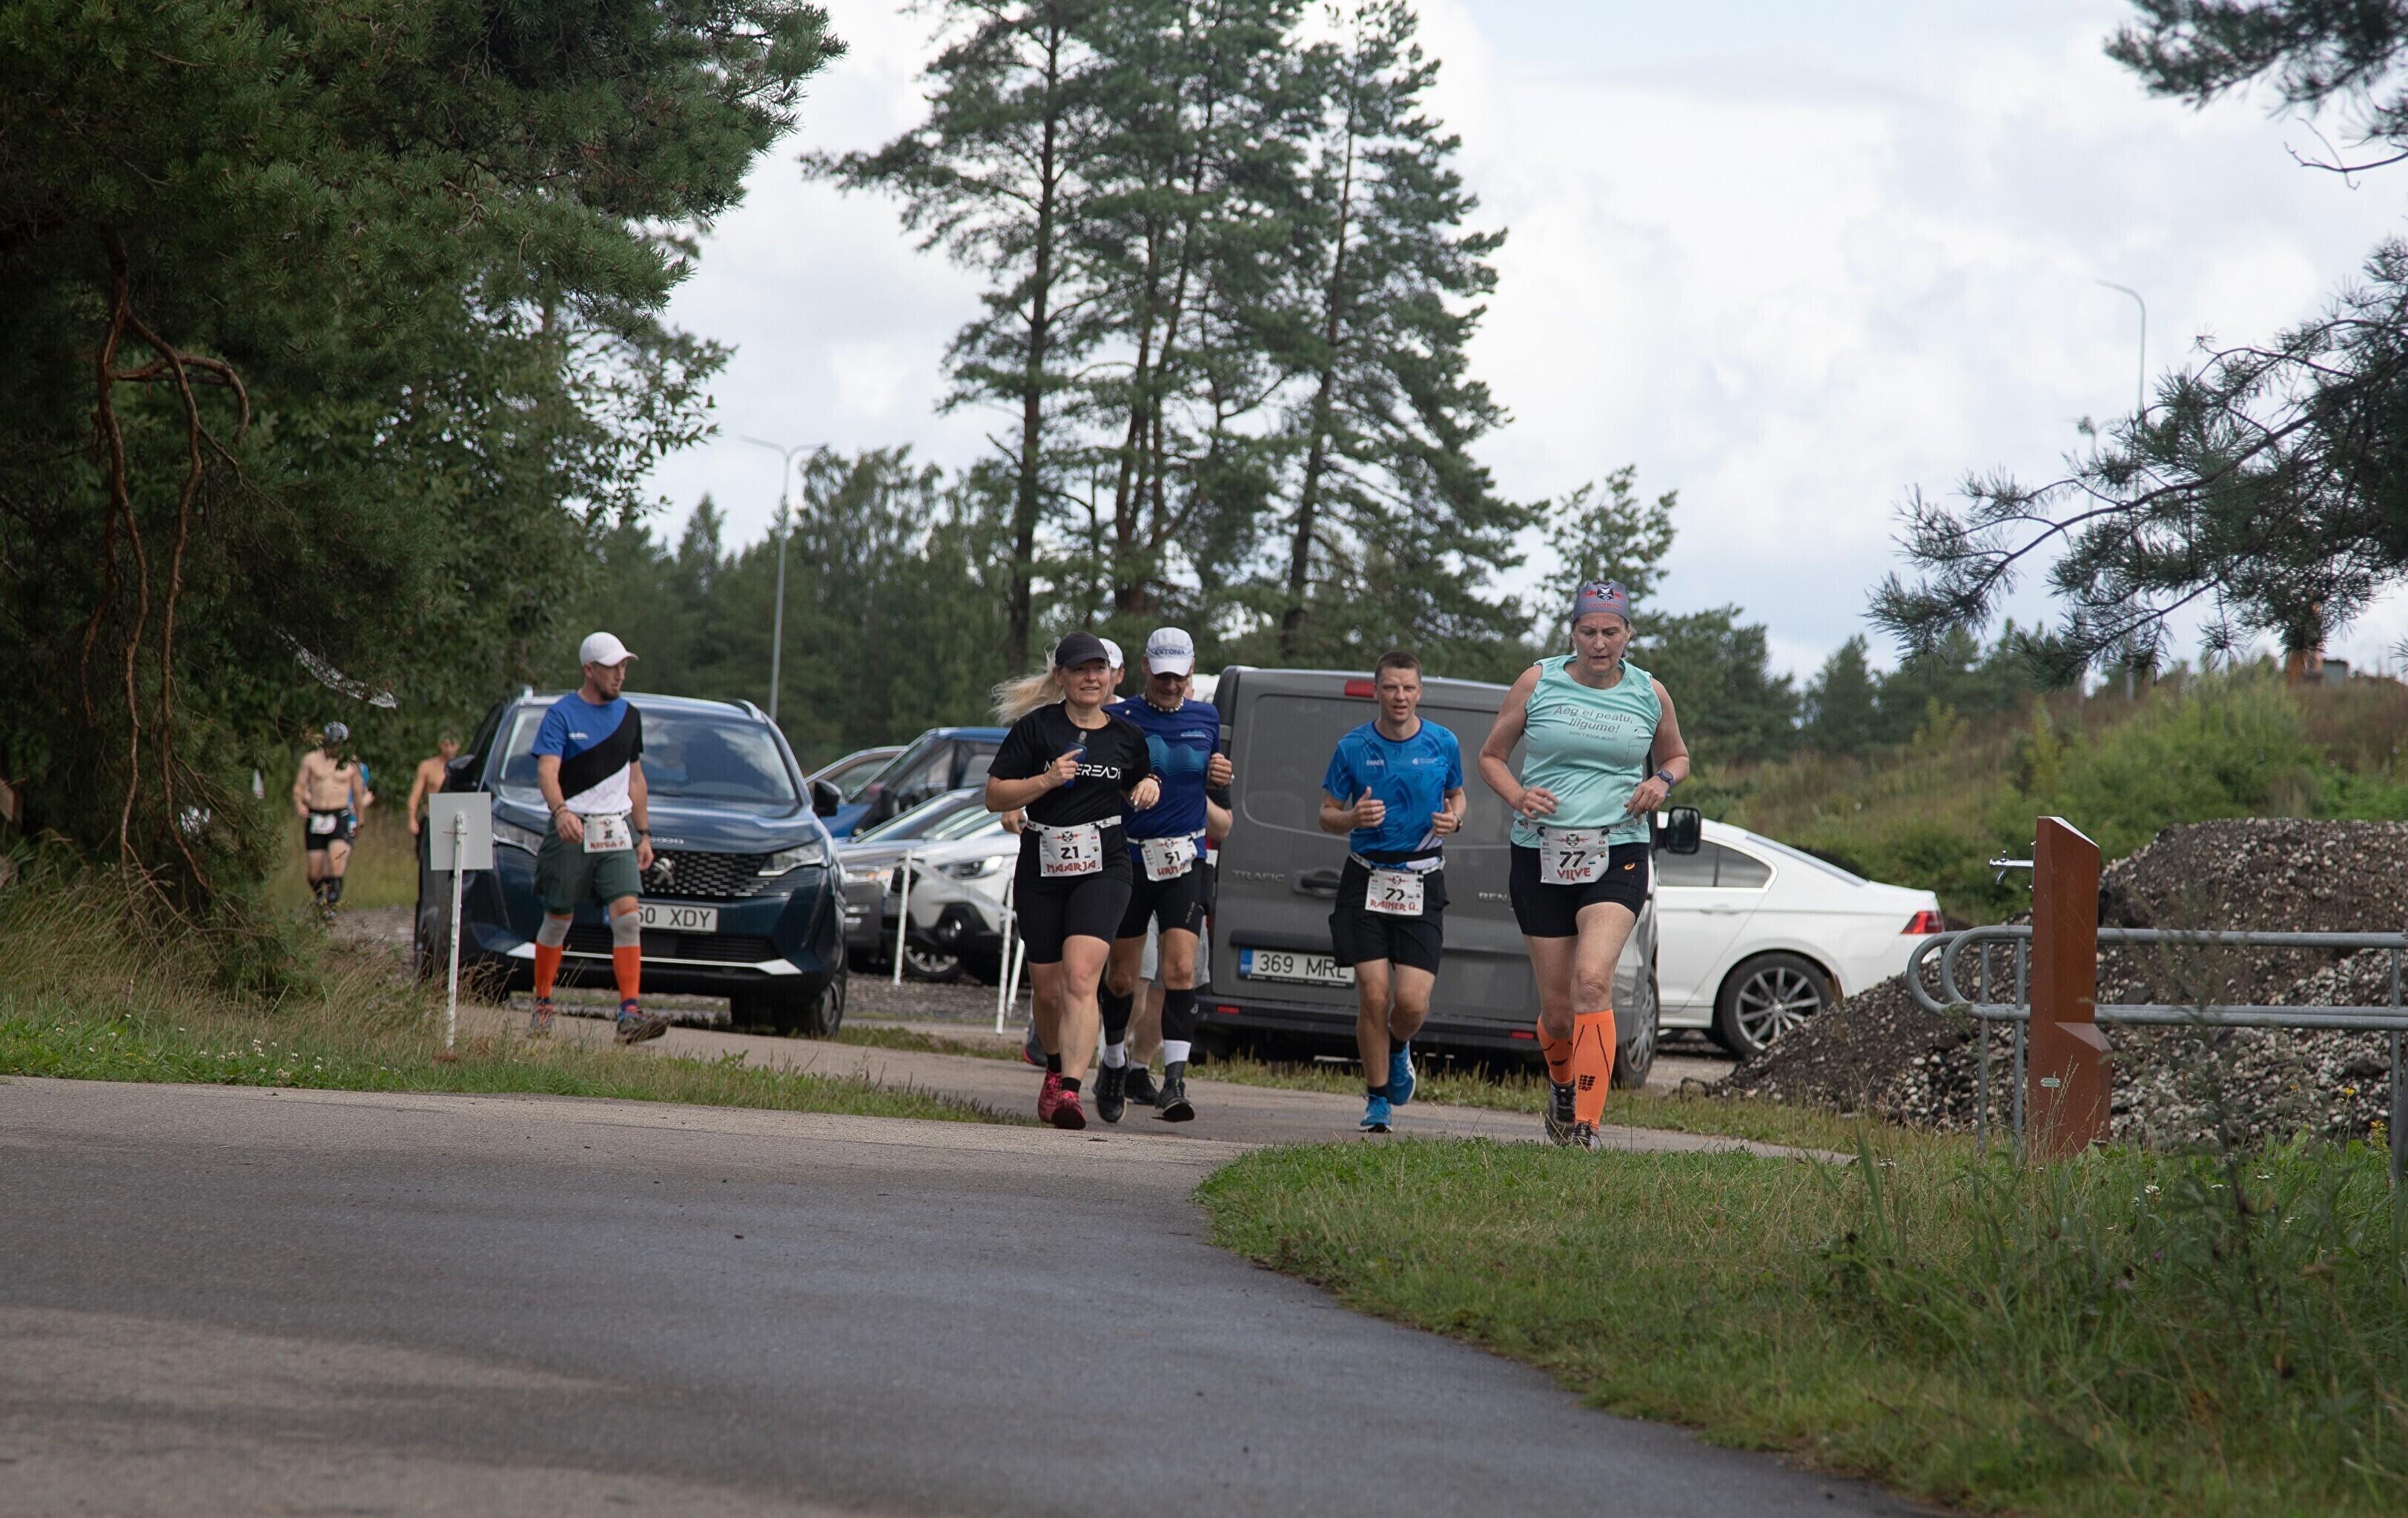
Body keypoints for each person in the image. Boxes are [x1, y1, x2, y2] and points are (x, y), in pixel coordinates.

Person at [1478, 581, 1690, 1150]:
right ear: (1572, 632)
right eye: (1588, 631)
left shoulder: (1650, 692)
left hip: (1618, 848)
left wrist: (1661, 780)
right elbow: (1491, 757)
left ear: (1628, 634)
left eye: (1610, 632)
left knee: (1593, 981)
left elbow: (1677, 755)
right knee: (1558, 1013)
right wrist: (1518, 795)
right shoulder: (1537, 681)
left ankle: (1587, 1128)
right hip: (1541, 851)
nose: (1599, 642)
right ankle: (1563, 1085)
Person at [985, 632, 1159, 1129]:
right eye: (1080, 669)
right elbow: (995, 796)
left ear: (1111, 676)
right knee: (1048, 991)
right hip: (1042, 864)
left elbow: (1141, 778)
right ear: (1060, 676)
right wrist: (1045, 780)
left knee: (1082, 977)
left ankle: (1070, 1092)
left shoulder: (1127, 735)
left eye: (1098, 669)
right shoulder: (1036, 728)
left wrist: (1149, 786)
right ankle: (1055, 1069)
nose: (1090, 678)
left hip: (1105, 864)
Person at [1319, 652, 1467, 1134]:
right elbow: (1326, 813)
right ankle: (1378, 1099)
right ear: (1376, 690)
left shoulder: (1443, 742)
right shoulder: (1353, 747)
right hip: (1366, 877)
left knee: (1411, 1003)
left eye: (1407, 688)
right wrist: (1352, 818)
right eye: (1390, 687)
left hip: (1422, 879)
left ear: (1419, 691)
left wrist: (1455, 820)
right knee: (1374, 994)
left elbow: (1458, 796)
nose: (1399, 697)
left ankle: (1400, 1046)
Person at [1099, 628, 1234, 1123]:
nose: (1171, 685)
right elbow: (1102, 785)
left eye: (1179, 676)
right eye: (1162, 676)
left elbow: (1219, 800)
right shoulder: (1120, 718)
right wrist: (1131, 785)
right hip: (1130, 858)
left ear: (1191, 670)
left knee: (1180, 971)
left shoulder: (1206, 717)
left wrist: (1218, 780)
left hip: (1185, 859)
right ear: (1145, 668)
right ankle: (1114, 1062)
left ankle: (1174, 1081)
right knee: (1123, 978)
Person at [529, 632, 667, 1046]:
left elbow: (636, 779)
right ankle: (542, 1002)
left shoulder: (630, 716)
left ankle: (629, 1013)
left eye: (624, 666)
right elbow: (547, 771)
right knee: (558, 919)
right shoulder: (561, 715)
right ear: (589, 670)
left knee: (628, 916)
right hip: (572, 826)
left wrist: (644, 834)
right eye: (611, 667)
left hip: (616, 828)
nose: (620, 675)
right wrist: (561, 812)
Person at [291, 722, 373, 919]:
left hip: (339, 815)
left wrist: (360, 820)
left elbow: (358, 794)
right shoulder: (311, 760)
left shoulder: (351, 763)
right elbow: (299, 787)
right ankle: (320, 898)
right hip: (317, 815)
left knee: (336, 862)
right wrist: (299, 803)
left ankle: (332, 903)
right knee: (315, 871)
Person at [406, 733, 463, 847]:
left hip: (454, 820)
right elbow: (415, 796)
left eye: (453, 745)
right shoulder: (427, 767)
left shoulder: (463, 768)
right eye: (446, 745)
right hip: (431, 817)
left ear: (458, 746)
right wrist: (412, 819)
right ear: (440, 745)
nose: (449, 749)